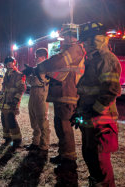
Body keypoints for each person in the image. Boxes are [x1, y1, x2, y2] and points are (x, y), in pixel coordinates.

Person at [26, 23, 85, 185]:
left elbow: (55, 62)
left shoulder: (74, 50)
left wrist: (38, 68)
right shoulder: (70, 50)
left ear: (72, 36)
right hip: (62, 94)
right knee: (59, 125)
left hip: (69, 94)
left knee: (65, 128)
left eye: (65, 36)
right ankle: (63, 153)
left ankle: (69, 159)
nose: (63, 40)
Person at [72, 22, 121, 186]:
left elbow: (111, 90)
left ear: (97, 39)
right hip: (89, 117)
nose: (84, 44)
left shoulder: (107, 60)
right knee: (89, 153)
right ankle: (96, 182)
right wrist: (78, 112)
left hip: (102, 119)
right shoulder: (91, 60)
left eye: (87, 40)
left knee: (100, 157)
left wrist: (95, 111)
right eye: (83, 41)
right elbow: (86, 90)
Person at [25, 48, 50, 156]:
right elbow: (28, 81)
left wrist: (34, 76)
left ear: (43, 57)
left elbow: (36, 81)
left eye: (37, 56)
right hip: (33, 96)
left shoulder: (47, 68)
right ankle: (35, 143)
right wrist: (31, 75)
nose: (35, 58)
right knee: (34, 121)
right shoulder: (36, 69)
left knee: (42, 122)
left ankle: (44, 146)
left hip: (41, 97)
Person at [0, 56, 26, 151]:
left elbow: (22, 88)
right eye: (7, 62)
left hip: (12, 102)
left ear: (14, 63)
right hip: (5, 102)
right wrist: (0, 98)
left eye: (11, 62)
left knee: (11, 120)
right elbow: (3, 89)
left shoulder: (18, 74)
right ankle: (7, 138)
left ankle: (17, 140)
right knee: (4, 119)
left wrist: (16, 100)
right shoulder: (6, 74)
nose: (9, 64)